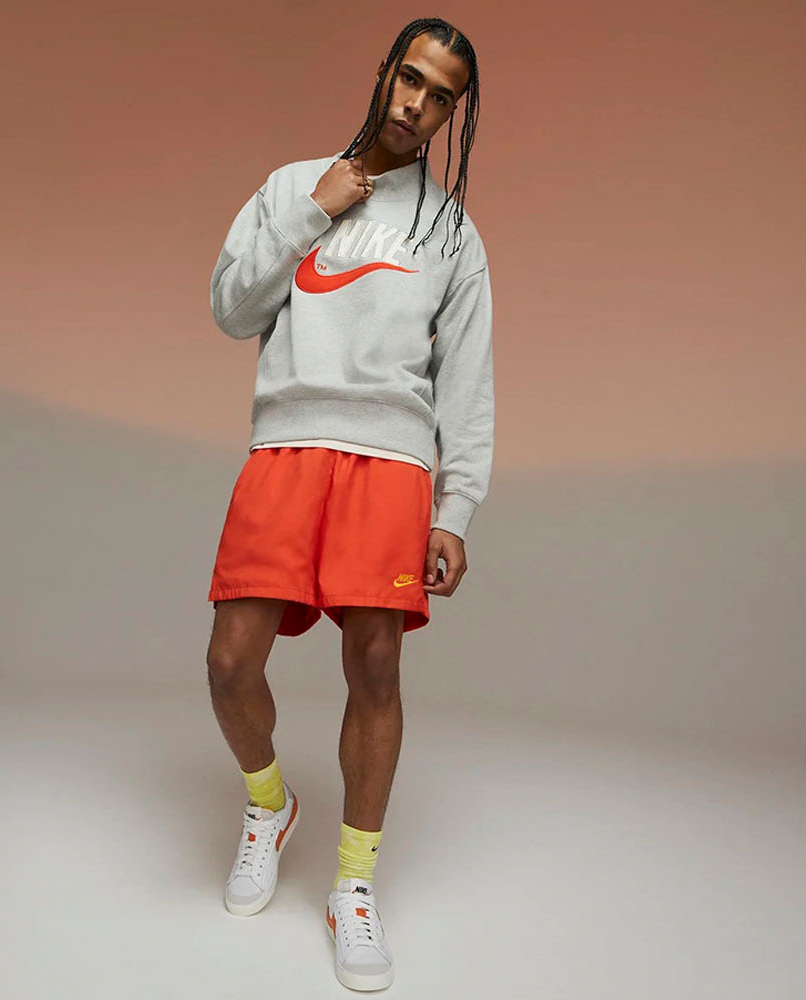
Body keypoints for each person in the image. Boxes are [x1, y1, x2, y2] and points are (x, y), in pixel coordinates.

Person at [203, 17, 491, 992]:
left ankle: (353, 884)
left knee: (375, 665)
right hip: (286, 445)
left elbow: (468, 383)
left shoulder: (451, 233)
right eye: (410, 78)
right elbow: (230, 309)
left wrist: (456, 507)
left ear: (453, 113)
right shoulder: (293, 185)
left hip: (390, 460)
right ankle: (269, 803)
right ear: (383, 74)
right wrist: (311, 213)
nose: (418, 103)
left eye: (441, 95)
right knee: (229, 661)